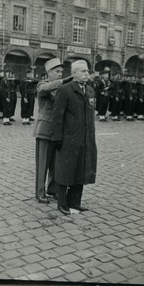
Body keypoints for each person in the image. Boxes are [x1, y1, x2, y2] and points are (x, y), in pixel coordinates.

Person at [52, 60, 97, 216]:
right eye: (83, 71)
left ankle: (75, 202)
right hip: (68, 138)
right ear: (74, 74)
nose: (87, 74)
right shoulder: (65, 90)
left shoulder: (90, 91)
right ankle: (62, 203)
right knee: (65, 170)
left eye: (87, 71)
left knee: (81, 170)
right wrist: (57, 139)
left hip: (86, 138)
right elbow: (57, 116)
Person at [34, 58, 73, 203]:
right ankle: (40, 193)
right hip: (44, 129)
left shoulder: (61, 89)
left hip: (57, 131)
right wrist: (65, 80)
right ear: (49, 73)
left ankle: (53, 189)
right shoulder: (42, 85)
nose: (59, 74)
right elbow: (44, 90)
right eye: (57, 72)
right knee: (42, 163)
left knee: (55, 164)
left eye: (61, 72)